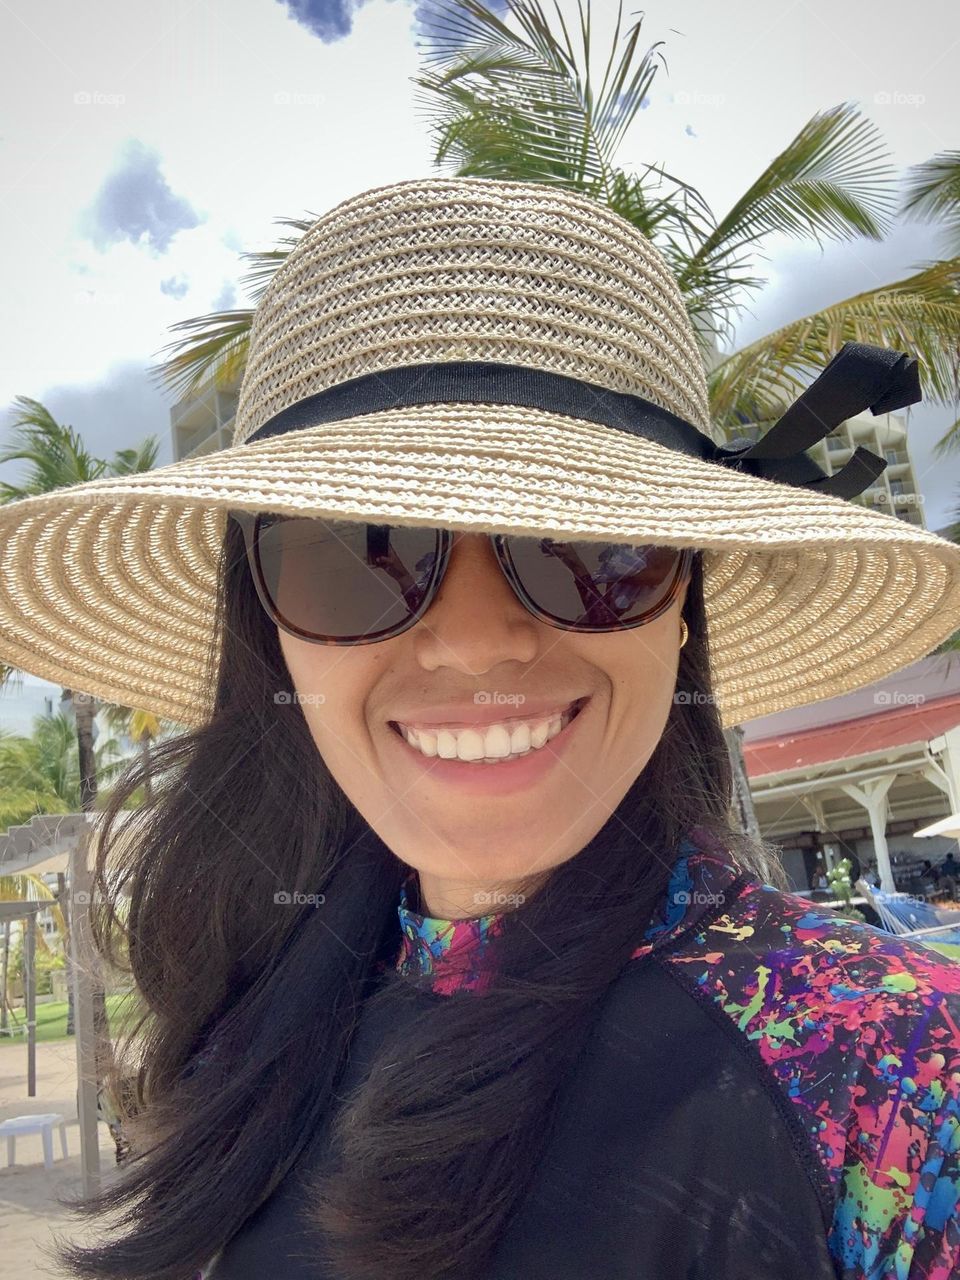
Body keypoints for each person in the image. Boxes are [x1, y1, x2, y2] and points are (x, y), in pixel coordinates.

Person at [0, 177, 959, 1280]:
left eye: (587, 546)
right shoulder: (238, 1029)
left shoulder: (901, 1068)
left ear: (685, 601)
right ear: (272, 633)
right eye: (356, 556)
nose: (473, 645)